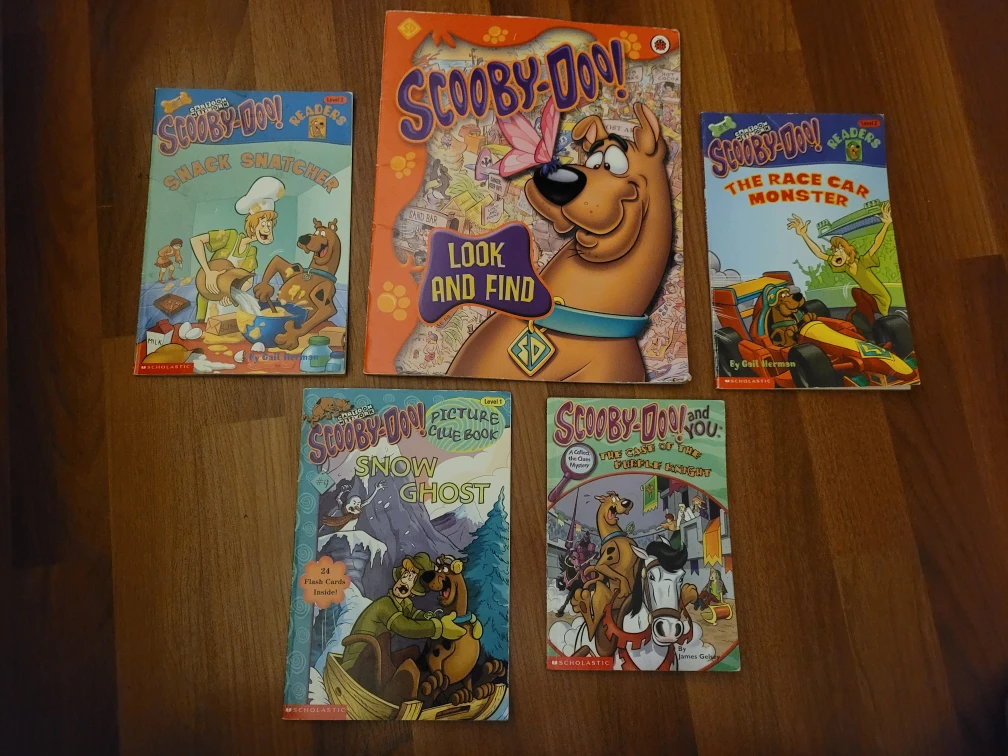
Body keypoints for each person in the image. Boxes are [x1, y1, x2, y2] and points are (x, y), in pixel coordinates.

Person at [341, 553, 466, 703]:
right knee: (383, 640)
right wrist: (438, 627)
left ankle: (415, 687)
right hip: (356, 664)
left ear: (413, 592)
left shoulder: (404, 603)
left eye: (411, 580)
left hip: (376, 658)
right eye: (405, 576)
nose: (405, 582)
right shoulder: (385, 605)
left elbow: (413, 614)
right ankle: (393, 692)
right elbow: (404, 626)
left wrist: (430, 617)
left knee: (413, 652)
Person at [191, 176, 284, 321]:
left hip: (227, 300)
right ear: (252, 224)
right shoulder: (230, 237)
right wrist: (208, 272)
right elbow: (196, 241)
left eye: (269, 225)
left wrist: (231, 294)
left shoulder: (251, 251)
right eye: (263, 224)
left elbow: (247, 280)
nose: (267, 229)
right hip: (208, 294)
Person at [787, 201, 894, 327]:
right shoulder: (845, 267)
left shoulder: (862, 262)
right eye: (834, 250)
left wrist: (886, 224)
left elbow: (876, 244)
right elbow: (819, 253)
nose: (835, 253)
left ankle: (875, 323)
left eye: (838, 249)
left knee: (856, 292)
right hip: (867, 299)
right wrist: (804, 235)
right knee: (850, 318)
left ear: (845, 249)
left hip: (880, 298)